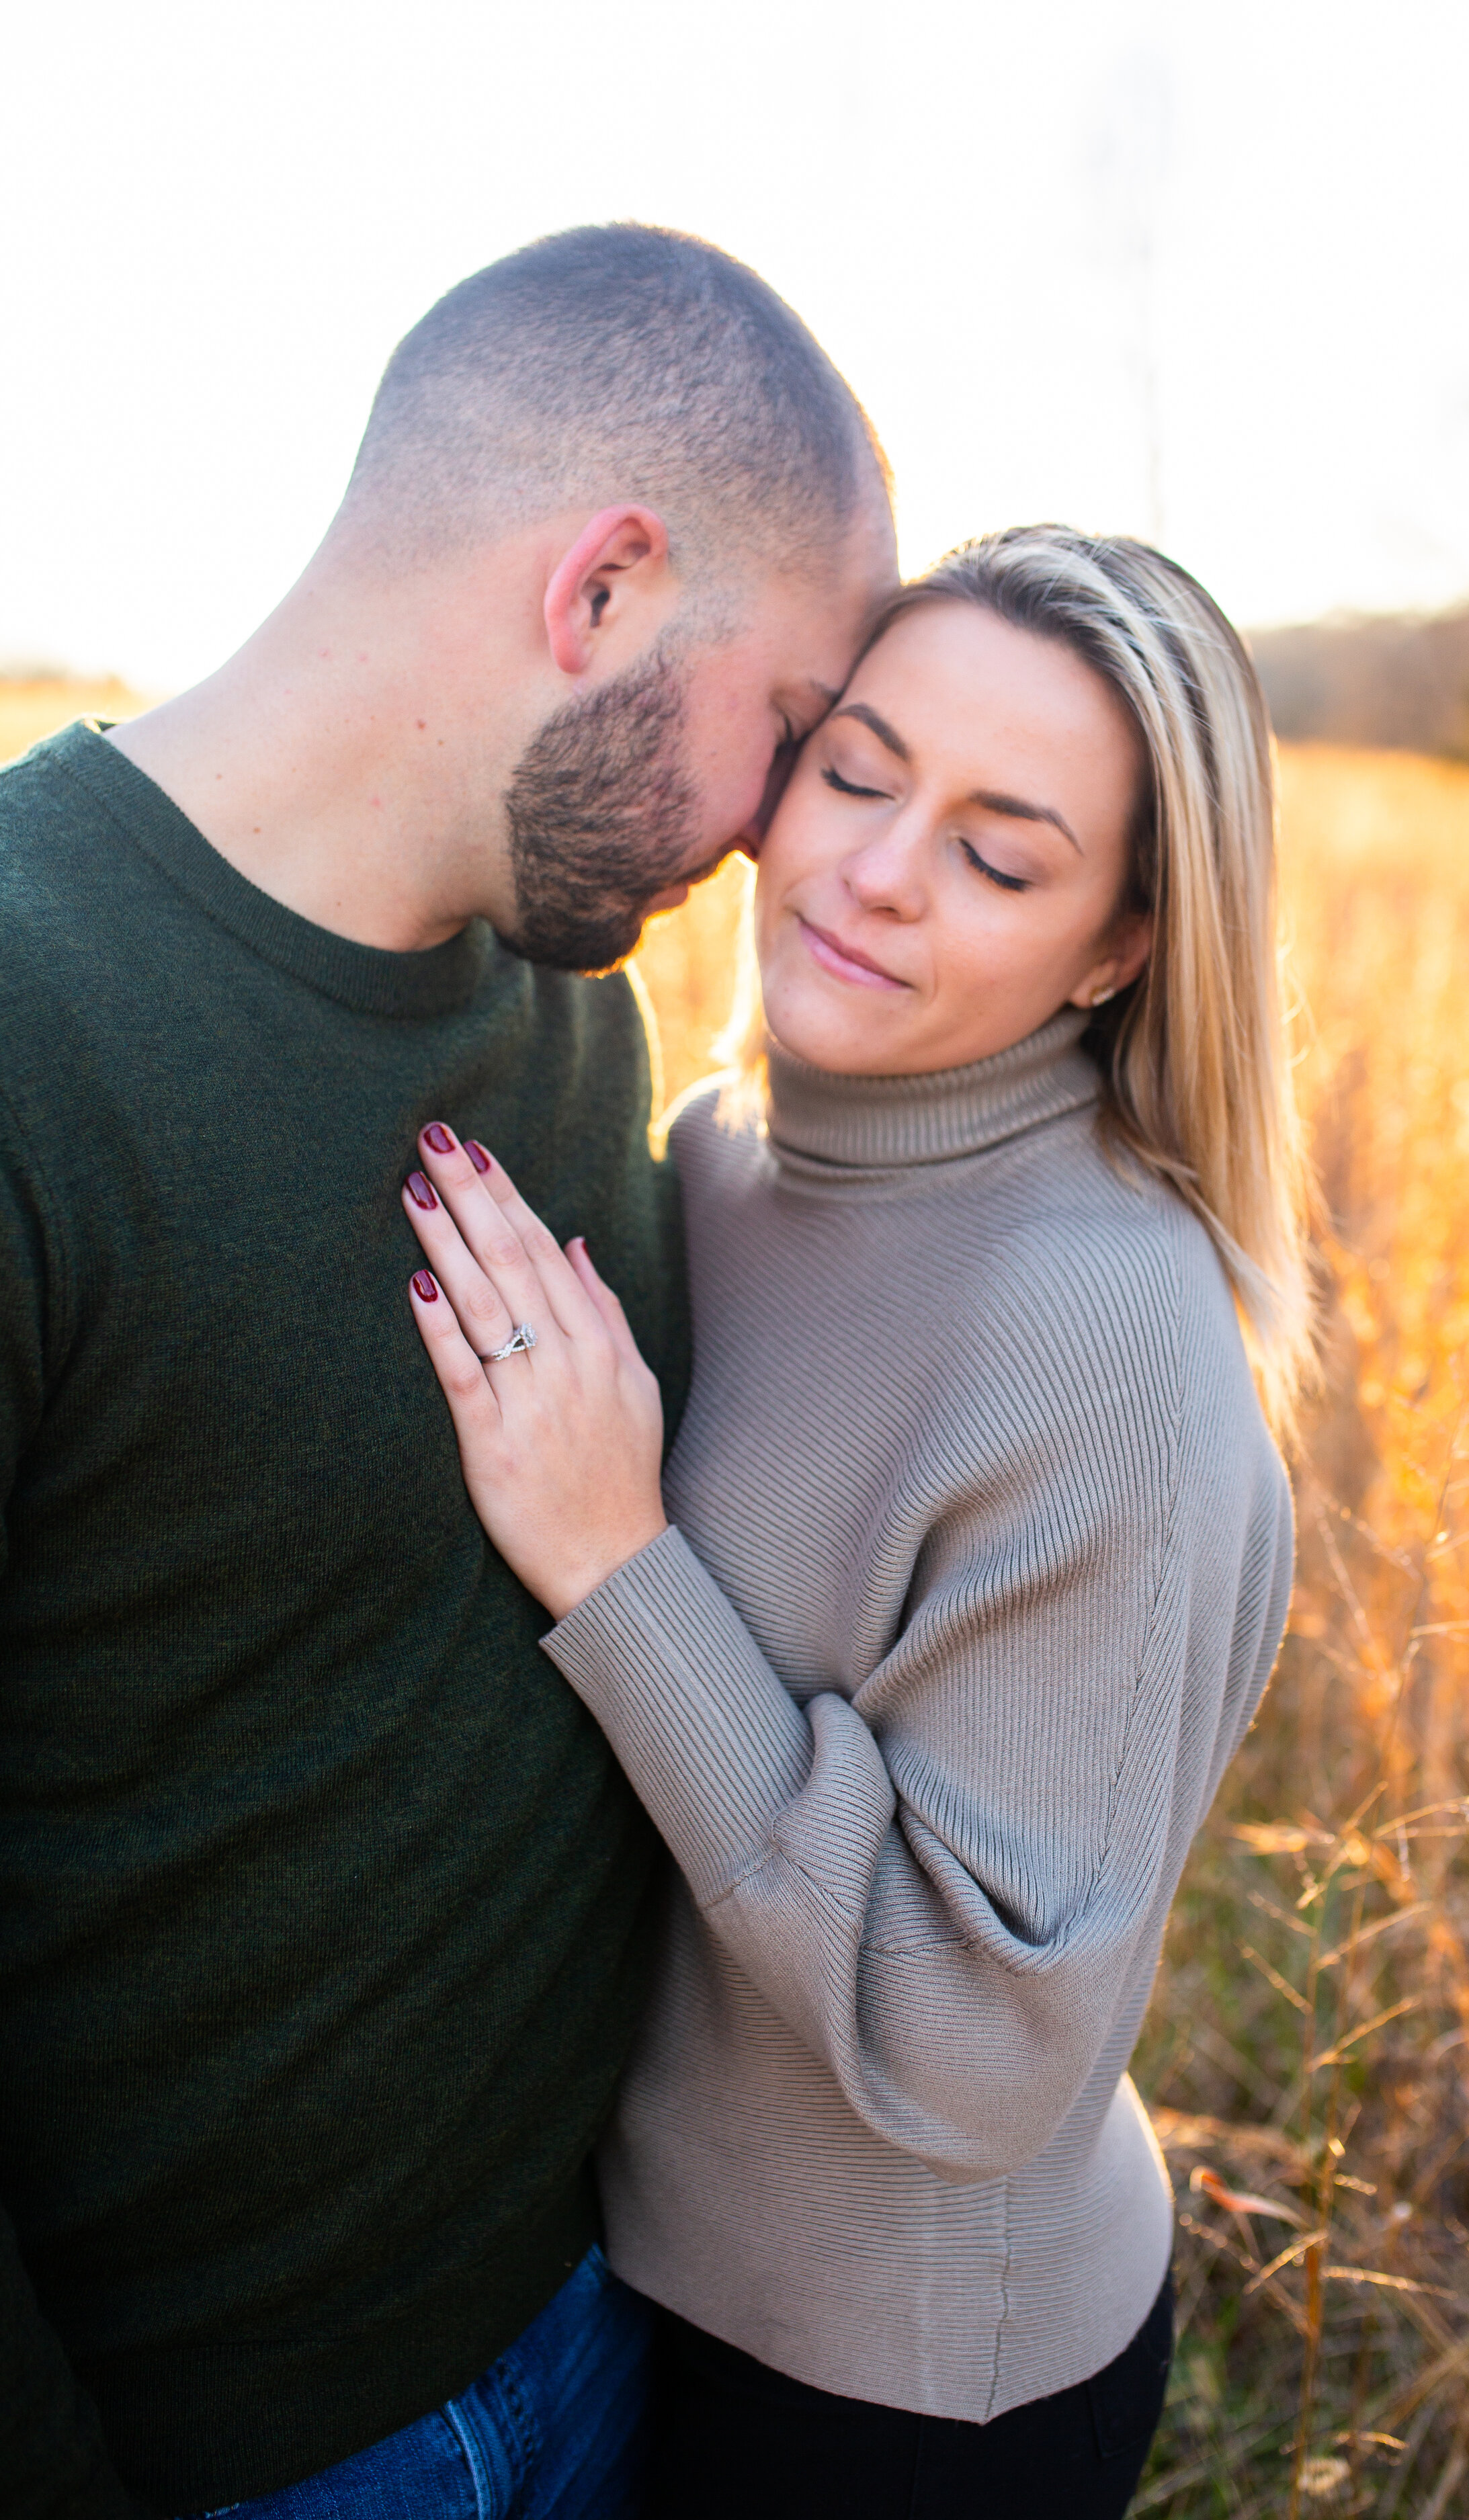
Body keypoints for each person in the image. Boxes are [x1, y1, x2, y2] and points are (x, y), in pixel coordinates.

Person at [0, 224, 894, 2519]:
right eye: (791, 729)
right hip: (227, 2454)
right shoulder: (24, 1030)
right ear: (599, 592)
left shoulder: (571, 995)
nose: (786, 832)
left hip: (611, 2332)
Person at [395, 526, 1316, 2519]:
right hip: (622, 2277)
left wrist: (616, 1567)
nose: (875, 875)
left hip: (892, 2391)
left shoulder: (1108, 1348)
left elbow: (978, 2054)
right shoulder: (720, 1158)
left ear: (1119, 946)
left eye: (1000, 855)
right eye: (856, 769)